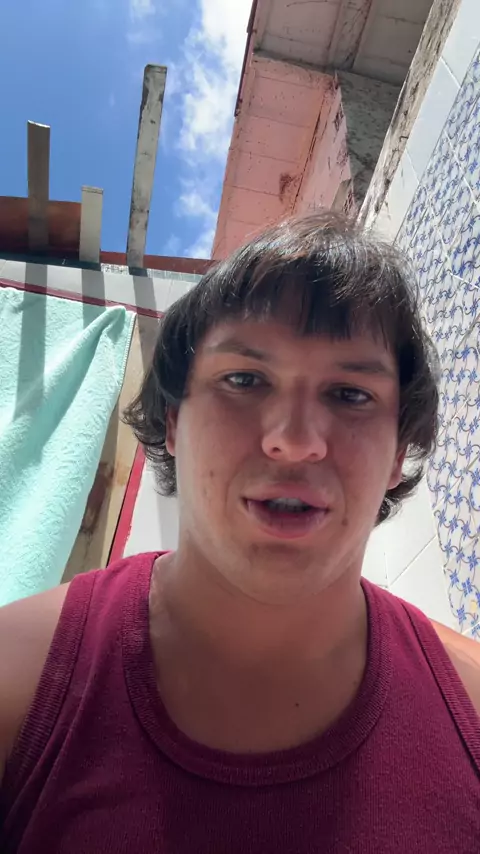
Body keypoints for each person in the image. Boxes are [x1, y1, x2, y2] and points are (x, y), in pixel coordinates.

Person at [0, 213, 479, 853]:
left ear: (399, 452)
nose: (295, 440)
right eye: (245, 380)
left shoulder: (470, 702)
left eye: (350, 394)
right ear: (174, 421)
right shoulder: (18, 681)